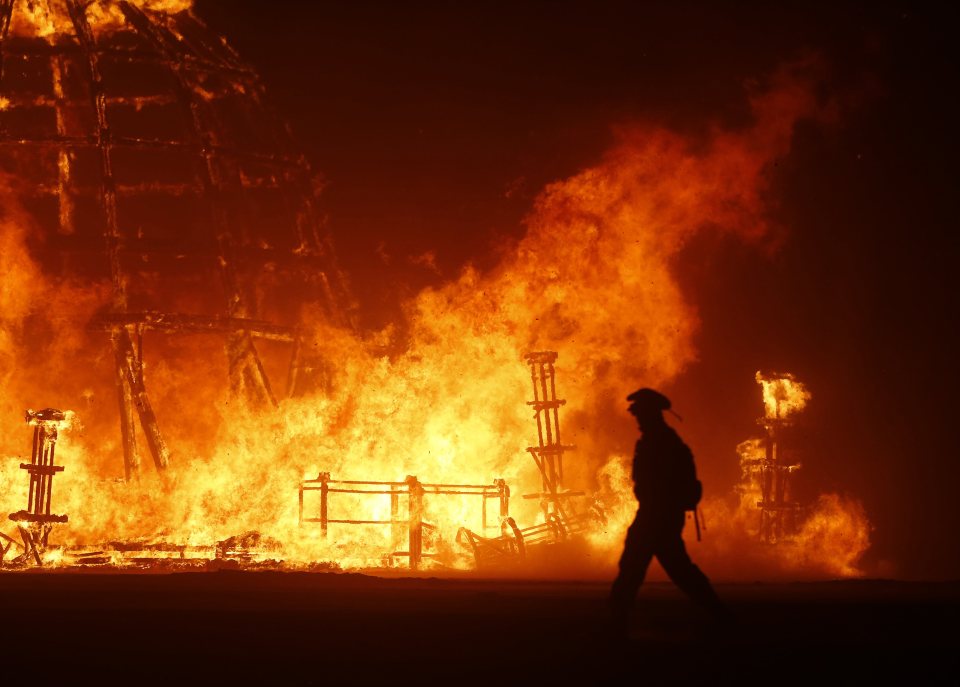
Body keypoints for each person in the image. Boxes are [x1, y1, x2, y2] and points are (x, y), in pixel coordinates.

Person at [609, 388, 728, 634]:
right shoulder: (659, 439)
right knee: (671, 568)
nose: (637, 418)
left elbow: (659, 482)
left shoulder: (662, 442)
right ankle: (721, 615)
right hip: (658, 515)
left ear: (651, 414)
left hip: (657, 515)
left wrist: (657, 506)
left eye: (640, 413)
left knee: (637, 567)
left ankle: (614, 626)